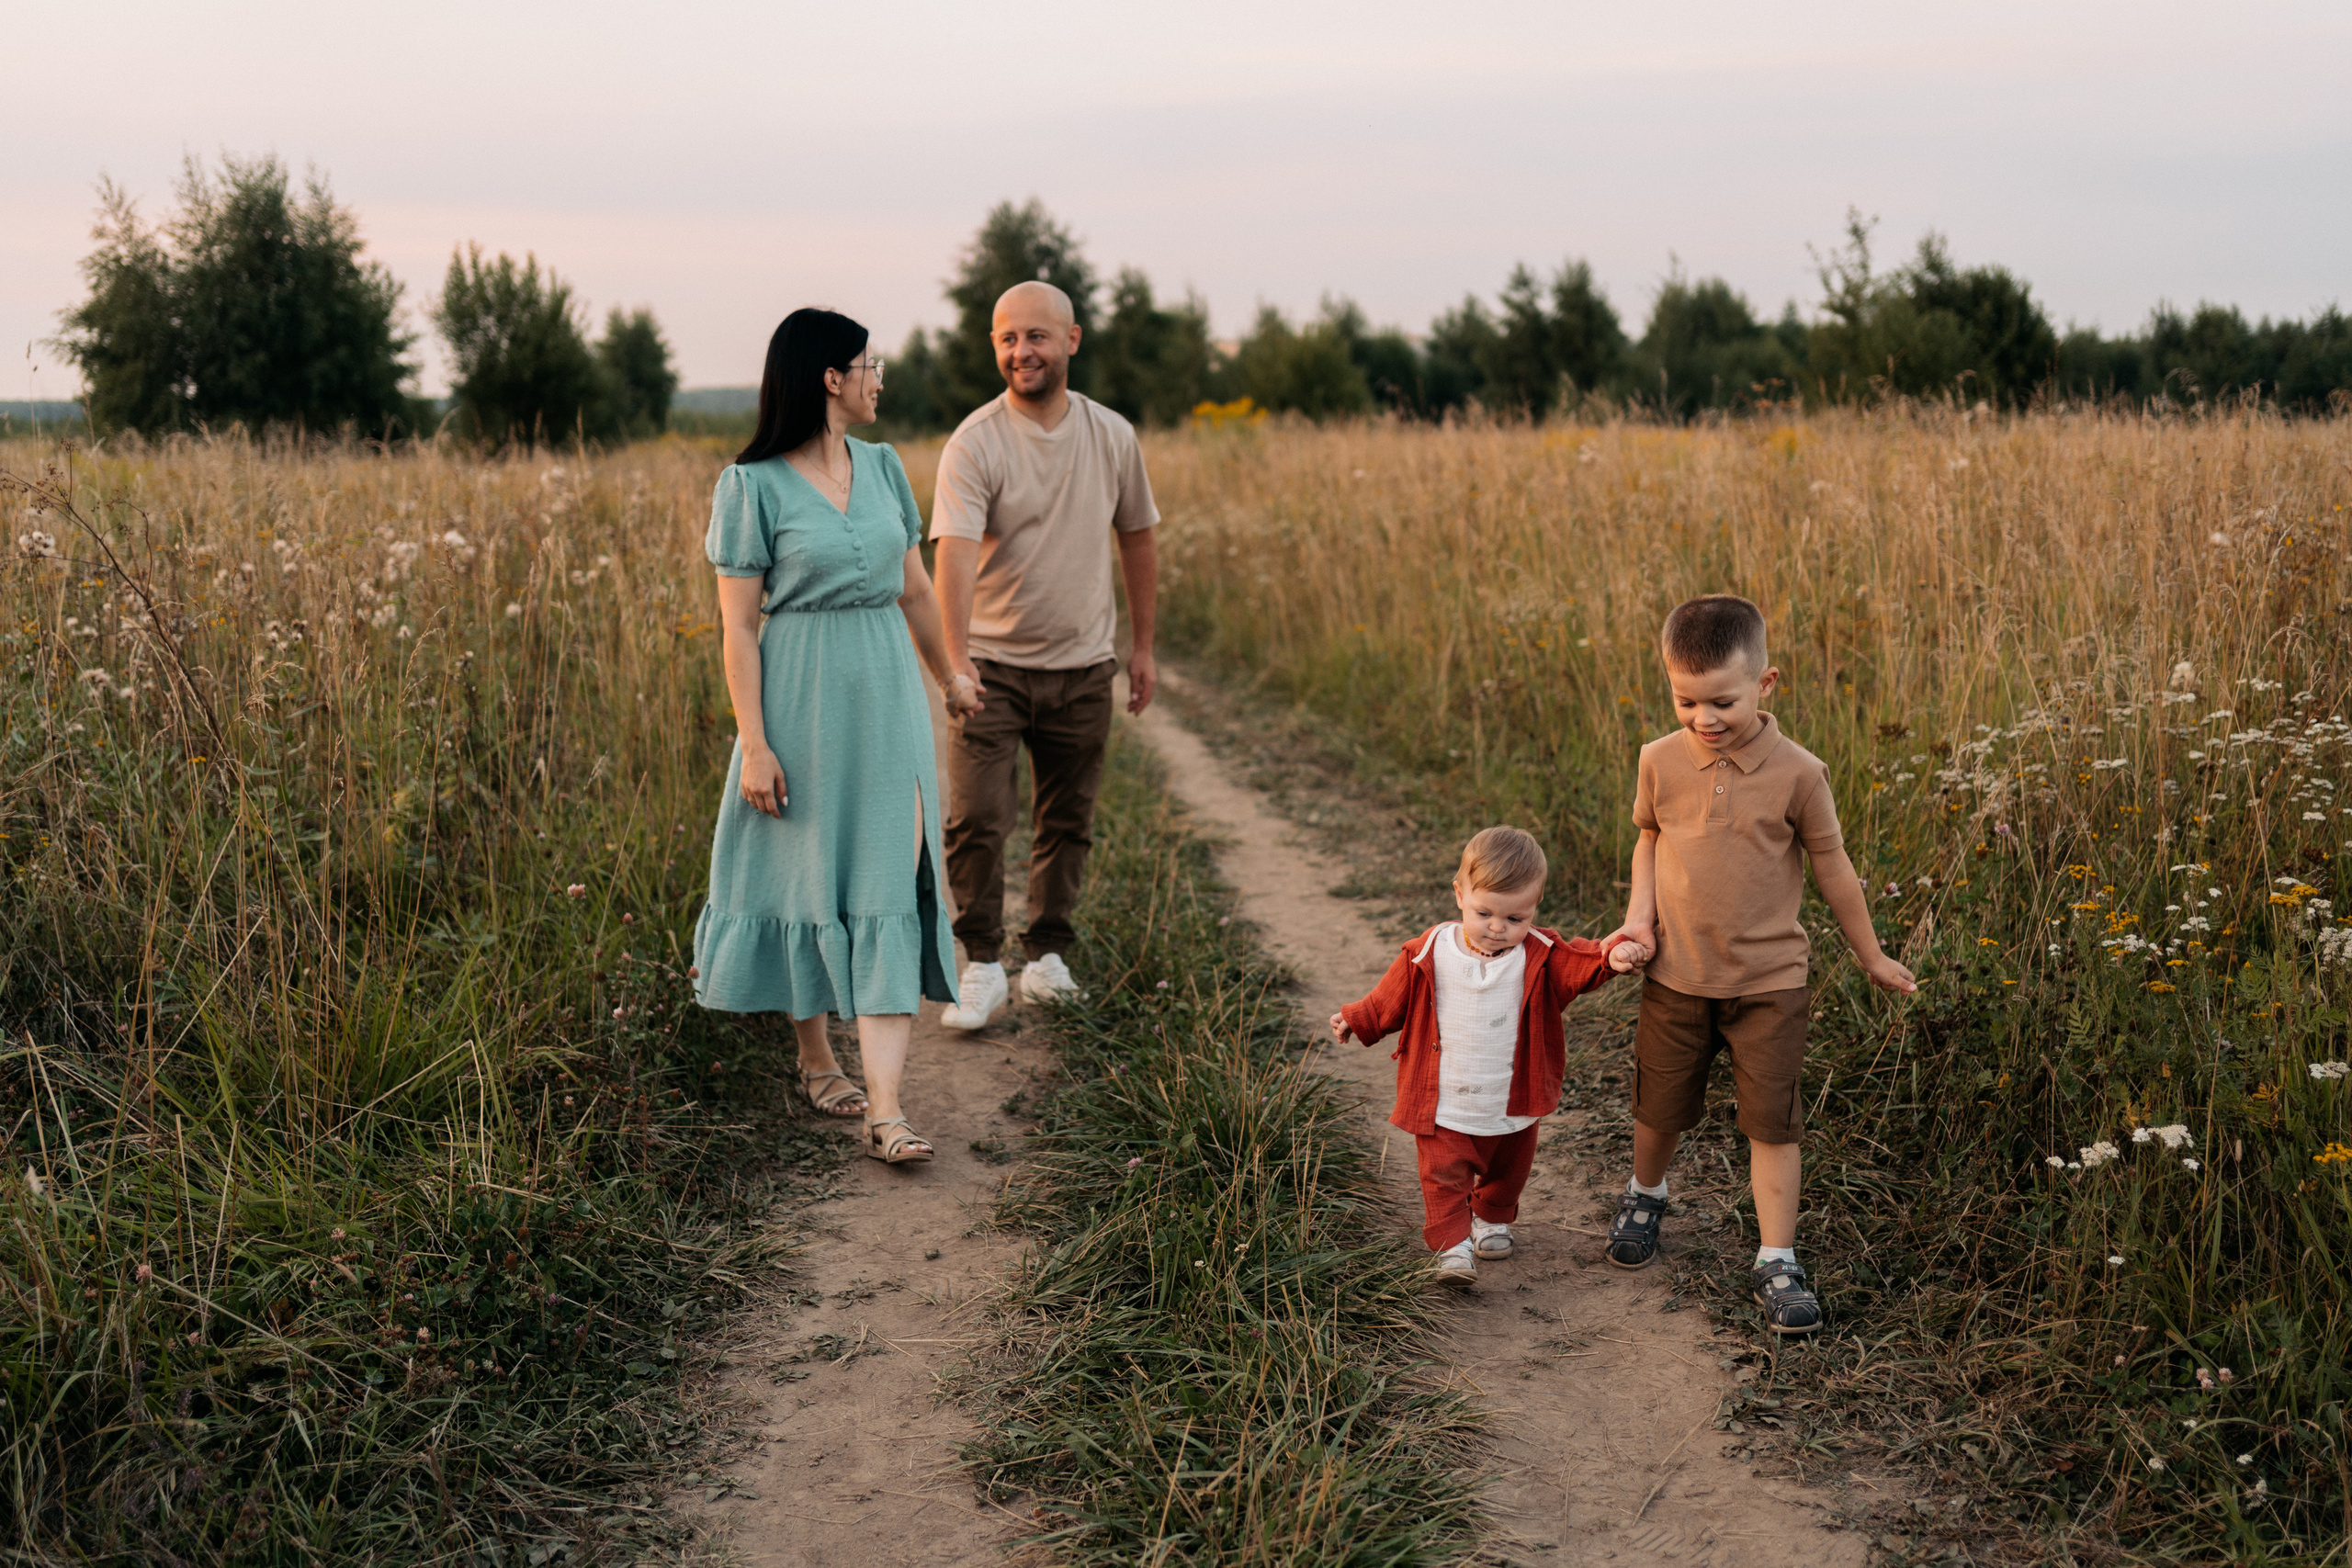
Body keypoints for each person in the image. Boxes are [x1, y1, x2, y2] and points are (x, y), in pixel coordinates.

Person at [691, 308, 978, 1165]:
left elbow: (917, 593)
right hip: (801, 703)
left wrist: (951, 677)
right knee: (810, 876)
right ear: (830, 379)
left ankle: (886, 1107)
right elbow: (739, 629)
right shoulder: (751, 487)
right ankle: (816, 1056)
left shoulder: (886, 468)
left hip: (889, 699)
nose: (878, 376)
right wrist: (757, 742)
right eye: (868, 363)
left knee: (896, 871)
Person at [1600, 594, 1917, 1331]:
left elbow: (1834, 867)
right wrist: (1637, 921)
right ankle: (1646, 1194)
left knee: (1772, 1120)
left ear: (1766, 684)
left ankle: (1778, 1258)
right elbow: (1649, 840)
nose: (1704, 718)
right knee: (1659, 1104)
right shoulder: (1659, 760)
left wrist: (1870, 955)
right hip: (1676, 974)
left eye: (1723, 701)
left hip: (1771, 984)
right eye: (1686, 700)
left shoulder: (1801, 773)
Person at [930, 280, 1160, 1029]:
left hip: (1084, 664)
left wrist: (1143, 647)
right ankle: (983, 965)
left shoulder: (1112, 435)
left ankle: (1048, 956)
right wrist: (955, 665)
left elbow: (1138, 537)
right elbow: (954, 558)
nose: (1020, 351)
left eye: (1035, 336)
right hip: (991, 670)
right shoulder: (976, 441)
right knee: (976, 820)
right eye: (1006, 339)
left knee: (1069, 819)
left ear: (1072, 340)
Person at [1329, 827, 1649, 1285]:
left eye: (1516, 918)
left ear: (1534, 909)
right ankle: (1454, 1249)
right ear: (1460, 894)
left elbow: (1582, 961)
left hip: (1511, 1100)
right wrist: (1358, 1018)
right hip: (1444, 1103)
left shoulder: (1540, 955)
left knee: (1509, 1168)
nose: (1498, 928)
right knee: (1442, 1174)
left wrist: (1613, 958)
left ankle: (1492, 1217)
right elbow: (1389, 999)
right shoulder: (1429, 951)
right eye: (1484, 913)